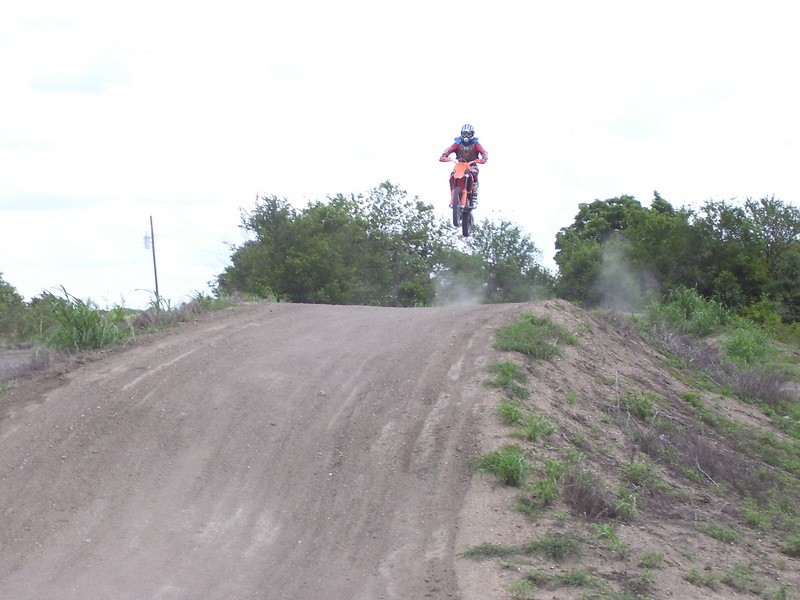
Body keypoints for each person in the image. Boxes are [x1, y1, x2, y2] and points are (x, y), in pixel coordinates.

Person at [439, 124, 488, 207]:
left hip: (472, 164)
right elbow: (448, 150)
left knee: (475, 173)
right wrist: (444, 156)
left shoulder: (476, 144)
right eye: (464, 134)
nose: (466, 136)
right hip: (459, 164)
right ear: (461, 133)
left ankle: (474, 197)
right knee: (453, 174)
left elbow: (483, 151)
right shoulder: (457, 143)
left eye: (468, 134)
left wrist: (484, 158)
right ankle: (453, 194)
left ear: (472, 134)